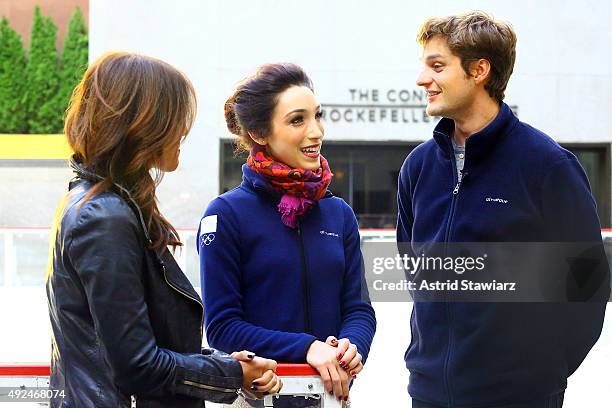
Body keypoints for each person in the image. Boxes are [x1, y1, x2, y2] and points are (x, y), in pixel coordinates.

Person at [397, 11, 610, 408]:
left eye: (437, 66)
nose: (422, 79)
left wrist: (541, 370)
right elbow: (415, 269)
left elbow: (588, 287)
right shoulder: (418, 168)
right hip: (428, 393)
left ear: (479, 70)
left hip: (518, 395)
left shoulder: (547, 166)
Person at [46, 51, 282, 408]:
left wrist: (223, 366)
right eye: (175, 117)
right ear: (144, 124)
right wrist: (233, 375)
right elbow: (137, 365)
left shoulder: (98, 204)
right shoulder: (104, 216)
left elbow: (140, 344)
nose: (184, 130)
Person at [198, 63, 377, 406]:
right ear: (260, 133)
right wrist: (306, 348)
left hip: (331, 397)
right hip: (256, 399)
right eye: (298, 120)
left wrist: (352, 347)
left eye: (317, 116)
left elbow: (358, 309)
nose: (316, 132)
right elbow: (222, 327)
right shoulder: (225, 215)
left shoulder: (338, 213)